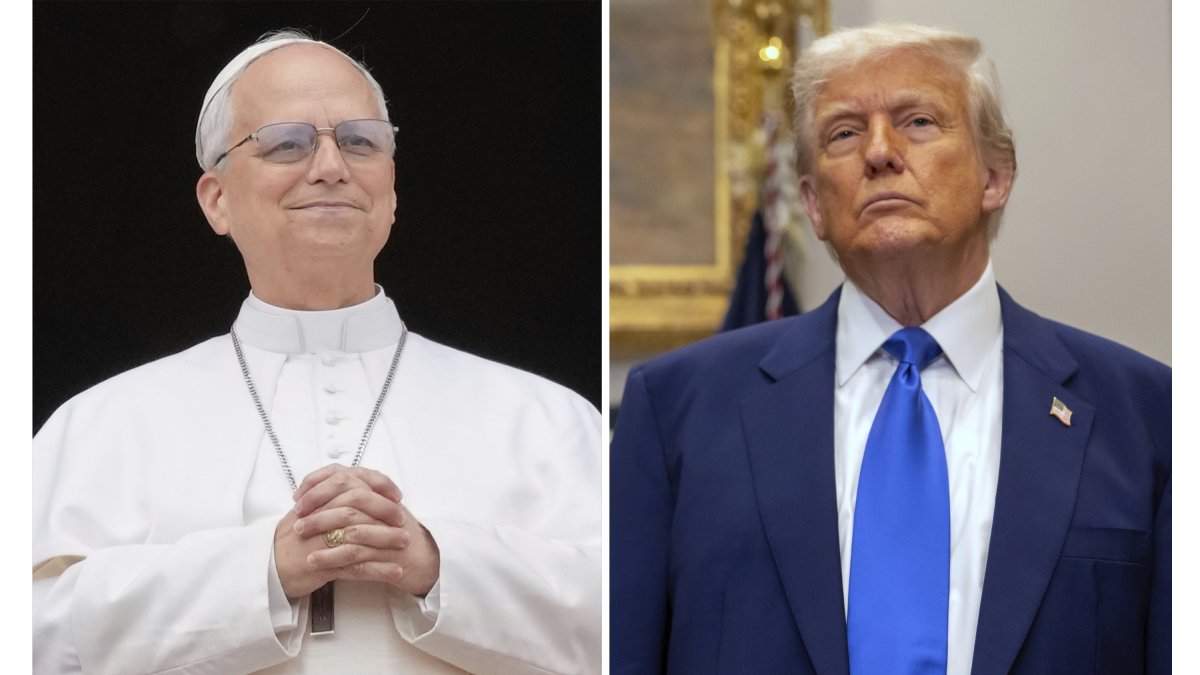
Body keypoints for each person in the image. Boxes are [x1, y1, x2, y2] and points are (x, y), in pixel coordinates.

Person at [34, 31, 601, 674]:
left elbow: (625, 626)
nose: (331, 166)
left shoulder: (547, 420)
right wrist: (262, 573)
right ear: (217, 200)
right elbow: (35, 638)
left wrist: (437, 565)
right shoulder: (102, 424)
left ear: (390, 194)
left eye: (360, 141)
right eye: (286, 143)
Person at [610, 23, 1169, 674]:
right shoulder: (677, 410)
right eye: (845, 133)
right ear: (815, 204)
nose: (879, 152)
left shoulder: (1148, 415)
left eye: (919, 121)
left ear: (995, 175)